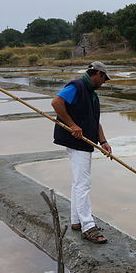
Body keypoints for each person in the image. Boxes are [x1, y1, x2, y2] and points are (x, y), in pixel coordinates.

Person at [51, 62, 113, 244]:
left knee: (78, 182)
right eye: (104, 79)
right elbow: (56, 102)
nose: (103, 83)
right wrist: (72, 125)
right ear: (98, 74)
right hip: (76, 141)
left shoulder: (91, 94)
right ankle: (88, 227)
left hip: (84, 142)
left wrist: (103, 141)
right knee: (83, 184)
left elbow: (95, 121)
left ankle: (76, 221)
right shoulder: (76, 86)